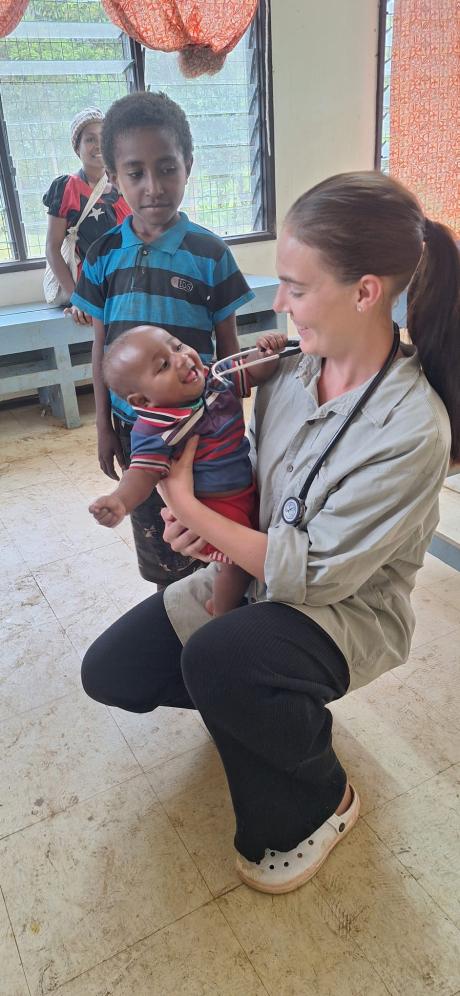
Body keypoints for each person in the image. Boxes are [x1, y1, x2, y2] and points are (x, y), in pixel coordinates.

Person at [81, 171, 460, 894]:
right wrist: (208, 527)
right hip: (257, 575)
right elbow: (255, 479)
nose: (279, 302)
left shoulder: (411, 429)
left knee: (220, 657)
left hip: (341, 610)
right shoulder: (291, 370)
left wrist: (187, 506)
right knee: (112, 671)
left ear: (365, 292)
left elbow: (312, 574)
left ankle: (323, 800)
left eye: (296, 286)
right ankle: (260, 707)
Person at [71, 91, 254, 587]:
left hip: (205, 432)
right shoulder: (103, 253)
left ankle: (220, 610)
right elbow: (101, 348)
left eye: (167, 168)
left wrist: (233, 417)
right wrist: (104, 425)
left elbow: (229, 347)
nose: (154, 187)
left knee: (218, 540)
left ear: (188, 165)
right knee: (161, 546)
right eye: (136, 173)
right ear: (114, 177)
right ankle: (170, 609)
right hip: (139, 431)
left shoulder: (210, 254)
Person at [89, 325, 287, 615]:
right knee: (238, 565)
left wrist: (266, 352)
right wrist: (120, 500)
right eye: (163, 366)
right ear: (142, 401)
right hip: (215, 506)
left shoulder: (216, 376)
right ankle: (221, 613)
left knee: (255, 549)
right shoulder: (154, 428)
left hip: (248, 487)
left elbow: (256, 371)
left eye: (178, 346)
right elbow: (141, 473)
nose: (182, 359)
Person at [43, 107, 130, 321]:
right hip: (90, 290)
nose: (98, 145)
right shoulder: (66, 188)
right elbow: (52, 248)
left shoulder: (125, 186)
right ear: (77, 148)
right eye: (90, 139)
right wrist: (78, 299)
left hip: (125, 287)